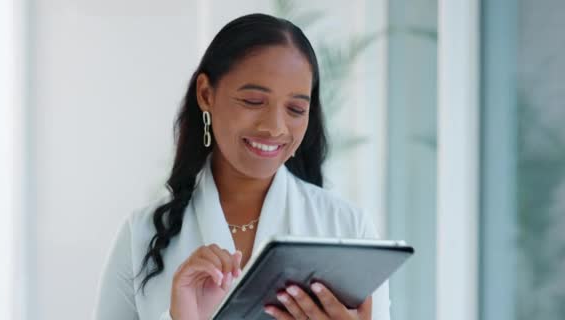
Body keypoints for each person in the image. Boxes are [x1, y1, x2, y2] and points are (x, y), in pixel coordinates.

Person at [93, 13, 390, 320]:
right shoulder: (142, 237)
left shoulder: (348, 229)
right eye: (253, 101)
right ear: (206, 94)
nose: (275, 128)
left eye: (296, 109)